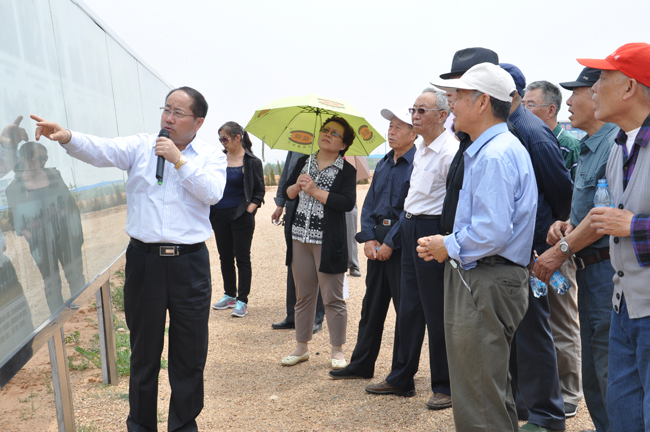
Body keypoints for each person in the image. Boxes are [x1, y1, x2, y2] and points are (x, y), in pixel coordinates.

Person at [31, 86, 227, 432]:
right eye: (166, 109)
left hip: (190, 264)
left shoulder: (211, 156)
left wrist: (178, 161)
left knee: (190, 352)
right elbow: (102, 149)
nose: (168, 117)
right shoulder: (141, 146)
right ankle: (140, 425)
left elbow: (212, 193)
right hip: (145, 262)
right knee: (144, 351)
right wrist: (67, 137)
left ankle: (183, 425)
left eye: (178, 112)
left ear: (198, 121)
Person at [423, 62, 538, 432]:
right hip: (485, 276)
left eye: (456, 97)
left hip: (485, 276)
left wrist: (447, 244)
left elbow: (491, 231)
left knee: (479, 397)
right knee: (488, 389)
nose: (450, 104)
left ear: (483, 101)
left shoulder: (494, 154)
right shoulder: (494, 149)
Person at [557, 42, 650, 432]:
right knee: (622, 410)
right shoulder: (618, 148)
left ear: (629, 88)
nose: (593, 89)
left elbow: (625, 222)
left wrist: (633, 226)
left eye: (602, 79)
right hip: (622, 304)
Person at [534, 66, 618, 432]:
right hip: (589, 266)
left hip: (605, 267)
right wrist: (565, 223)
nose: (571, 100)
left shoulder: (614, 143)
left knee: (608, 368)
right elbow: (586, 209)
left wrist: (560, 249)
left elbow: (604, 215)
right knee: (596, 371)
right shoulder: (589, 145)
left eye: (579, 91)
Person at [364, 89, 457, 411]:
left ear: (443, 116)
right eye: (413, 110)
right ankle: (401, 377)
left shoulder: (450, 151)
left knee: (436, 311)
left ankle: (444, 385)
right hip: (411, 227)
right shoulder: (421, 150)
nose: (415, 116)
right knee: (409, 309)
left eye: (422, 110)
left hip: (434, 230)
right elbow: (412, 202)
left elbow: (455, 203)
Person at [501, 62, 572, 432]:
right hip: (516, 252)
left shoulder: (532, 132)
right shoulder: (509, 127)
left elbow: (561, 191)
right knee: (518, 332)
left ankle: (547, 415)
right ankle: (524, 406)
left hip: (534, 252)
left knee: (534, 332)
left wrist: (550, 239)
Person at [330, 108, 416, 380]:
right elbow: (368, 204)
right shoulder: (384, 163)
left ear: (415, 132)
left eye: (398, 127)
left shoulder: (419, 164)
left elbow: (412, 210)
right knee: (371, 309)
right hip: (377, 245)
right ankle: (362, 364)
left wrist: (390, 242)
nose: (391, 131)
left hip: (402, 248)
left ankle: (400, 374)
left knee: (406, 313)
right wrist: (368, 237)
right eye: (390, 126)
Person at [522, 79, 584, 418]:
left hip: (561, 243)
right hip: (536, 246)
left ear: (550, 109)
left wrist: (562, 237)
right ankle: (544, 390)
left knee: (562, 317)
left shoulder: (567, 143)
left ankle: (570, 390)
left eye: (531, 104)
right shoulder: (529, 138)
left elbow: (569, 199)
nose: (526, 110)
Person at [280, 115, 356, 370]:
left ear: (343, 145)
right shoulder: (304, 161)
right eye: (326, 130)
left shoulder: (347, 170)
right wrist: (298, 186)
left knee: (333, 297)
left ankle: (337, 349)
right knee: (303, 296)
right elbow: (288, 194)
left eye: (335, 134)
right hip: (299, 236)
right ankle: (301, 347)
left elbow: (346, 203)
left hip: (328, 240)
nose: (328, 135)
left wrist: (314, 191)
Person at [6, 142, 85, 313]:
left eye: (45, 158)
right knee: (51, 281)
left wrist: (76, 232)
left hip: (65, 235)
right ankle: (58, 318)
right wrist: (28, 234)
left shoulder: (54, 175)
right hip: (40, 242)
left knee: (75, 274)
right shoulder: (14, 187)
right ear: (24, 159)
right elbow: (14, 219)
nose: (42, 162)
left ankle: (82, 312)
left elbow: (70, 204)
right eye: (37, 158)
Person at [210, 121, 264, 318]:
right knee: (225, 257)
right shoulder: (217, 159)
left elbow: (259, 191)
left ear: (238, 137)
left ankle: (242, 301)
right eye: (220, 139)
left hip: (241, 215)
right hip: (218, 214)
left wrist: (249, 210)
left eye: (225, 138)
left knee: (242, 258)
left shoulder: (252, 162)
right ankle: (229, 295)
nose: (222, 143)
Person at [270, 150, 325, 333]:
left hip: (316, 212)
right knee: (294, 263)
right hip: (293, 207)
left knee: (317, 267)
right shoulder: (294, 145)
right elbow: (286, 174)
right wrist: (280, 204)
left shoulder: (325, 147)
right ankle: (293, 315)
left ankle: (316, 316)